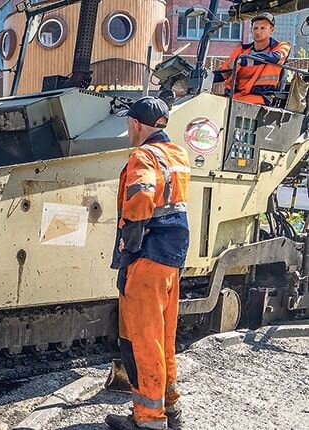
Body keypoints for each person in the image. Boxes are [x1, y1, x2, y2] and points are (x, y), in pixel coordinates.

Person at [106, 97, 191, 430]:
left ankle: (149, 419)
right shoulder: (178, 155)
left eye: (129, 123)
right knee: (164, 337)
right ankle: (171, 410)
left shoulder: (142, 155)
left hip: (146, 256)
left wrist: (128, 229)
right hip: (172, 257)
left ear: (136, 123)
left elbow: (141, 197)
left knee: (143, 339)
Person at [214, 12, 291, 106]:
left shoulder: (281, 47)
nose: (258, 31)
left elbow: (275, 58)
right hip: (236, 95)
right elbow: (223, 74)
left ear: (272, 29)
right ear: (251, 30)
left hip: (262, 97)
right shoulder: (241, 50)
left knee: (227, 105)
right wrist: (203, 77)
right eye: (255, 28)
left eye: (263, 28)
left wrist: (244, 61)